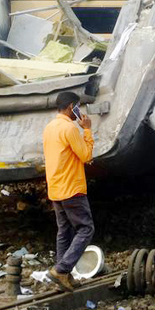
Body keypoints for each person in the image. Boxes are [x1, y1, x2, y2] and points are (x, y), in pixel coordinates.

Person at [43, 91, 96, 292]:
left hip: (56, 188)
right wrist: (87, 130)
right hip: (72, 188)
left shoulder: (49, 127)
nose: (79, 111)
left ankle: (64, 275)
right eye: (77, 107)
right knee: (86, 229)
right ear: (71, 106)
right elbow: (85, 155)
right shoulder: (69, 128)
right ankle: (62, 269)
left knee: (64, 232)